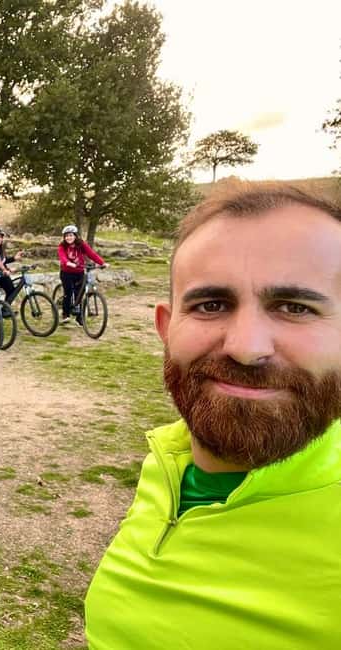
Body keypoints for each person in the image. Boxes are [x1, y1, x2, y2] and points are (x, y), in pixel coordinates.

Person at [84, 184, 341, 649]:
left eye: (295, 307)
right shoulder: (169, 460)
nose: (246, 347)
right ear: (166, 329)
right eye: (211, 305)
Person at [57, 225, 106, 324]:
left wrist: (102, 263)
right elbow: (62, 257)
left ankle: (79, 317)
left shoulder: (81, 244)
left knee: (79, 294)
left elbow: (91, 254)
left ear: (75, 236)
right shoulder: (62, 246)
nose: (68, 238)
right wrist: (68, 263)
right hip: (66, 272)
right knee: (68, 292)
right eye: (66, 236)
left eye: (70, 235)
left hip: (79, 272)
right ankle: (65, 314)